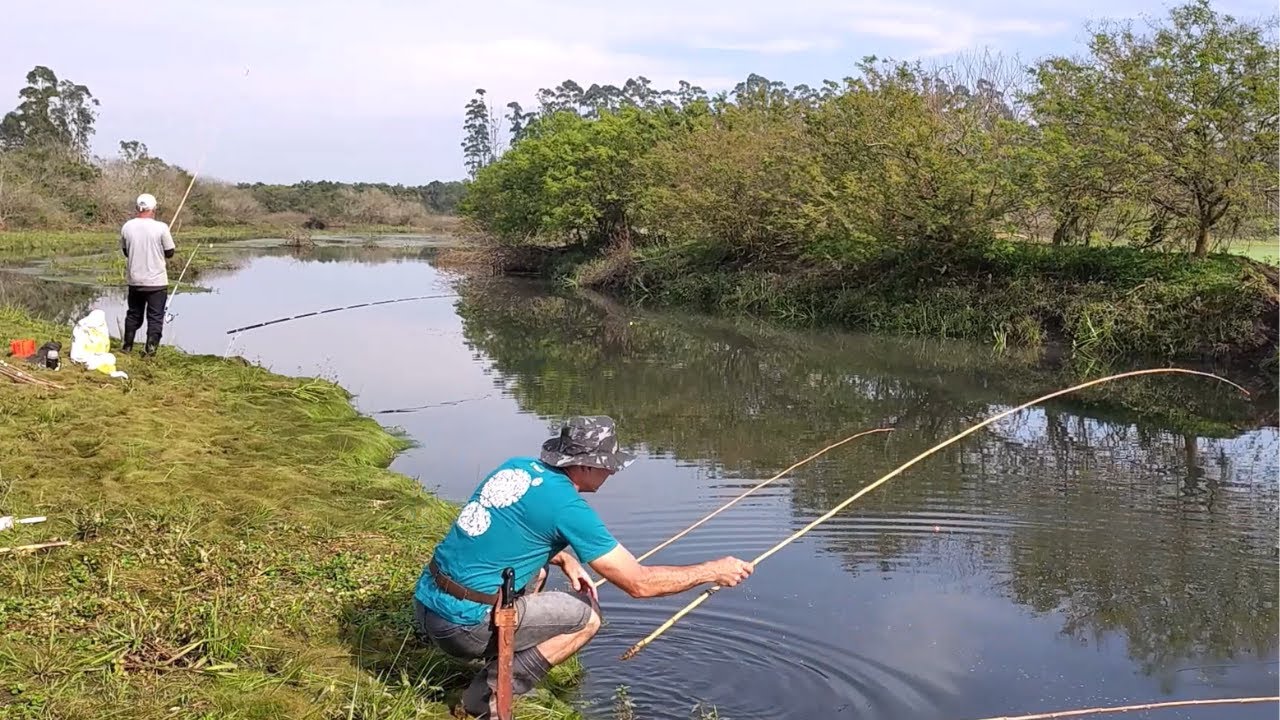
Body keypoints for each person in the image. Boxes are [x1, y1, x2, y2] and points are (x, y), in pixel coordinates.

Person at [413, 416, 755, 719]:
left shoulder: (517, 468)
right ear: (585, 466)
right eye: (608, 464)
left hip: (428, 604)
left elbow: (511, 530)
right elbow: (640, 584)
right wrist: (712, 570)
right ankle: (486, 698)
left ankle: (497, 665)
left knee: (540, 572)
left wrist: (566, 558)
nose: (613, 471)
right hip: (462, 627)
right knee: (588, 618)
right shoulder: (569, 509)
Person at [119, 193, 176, 356]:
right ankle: (150, 352)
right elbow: (170, 252)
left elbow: (125, 251)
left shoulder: (127, 227)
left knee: (133, 314)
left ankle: (127, 347)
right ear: (154, 208)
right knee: (155, 317)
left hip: (135, 281)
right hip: (157, 283)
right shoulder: (162, 228)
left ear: (137, 208)